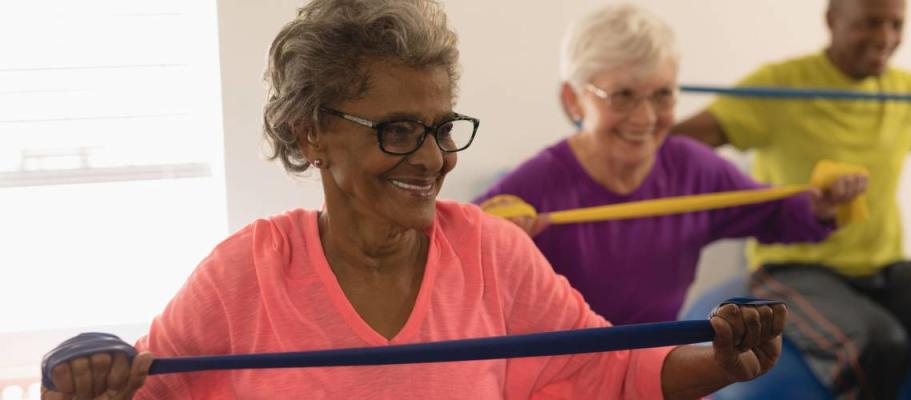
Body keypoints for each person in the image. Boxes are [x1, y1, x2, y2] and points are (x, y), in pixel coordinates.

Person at [41, 1, 788, 399]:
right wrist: (83, 384)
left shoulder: (492, 253)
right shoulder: (246, 274)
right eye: (397, 131)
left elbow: (611, 372)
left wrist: (723, 360)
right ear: (311, 136)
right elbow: (139, 392)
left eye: (438, 127)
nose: (433, 158)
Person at [474, 4, 867, 326]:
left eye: (662, 95)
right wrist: (493, 245)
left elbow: (778, 213)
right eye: (623, 96)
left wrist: (824, 202)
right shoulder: (535, 184)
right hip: (559, 377)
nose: (645, 117)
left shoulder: (692, 168)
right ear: (574, 100)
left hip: (659, 367)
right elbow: (450, 250)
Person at [672, 0, 911, 398]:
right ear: (832, 20)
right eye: (870, 23)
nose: (885, 38)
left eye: (896, 25)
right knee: (879, 345)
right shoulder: (781, 85)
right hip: (795, 267)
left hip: (885, 268)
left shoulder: (904, 92)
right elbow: (677, 144)